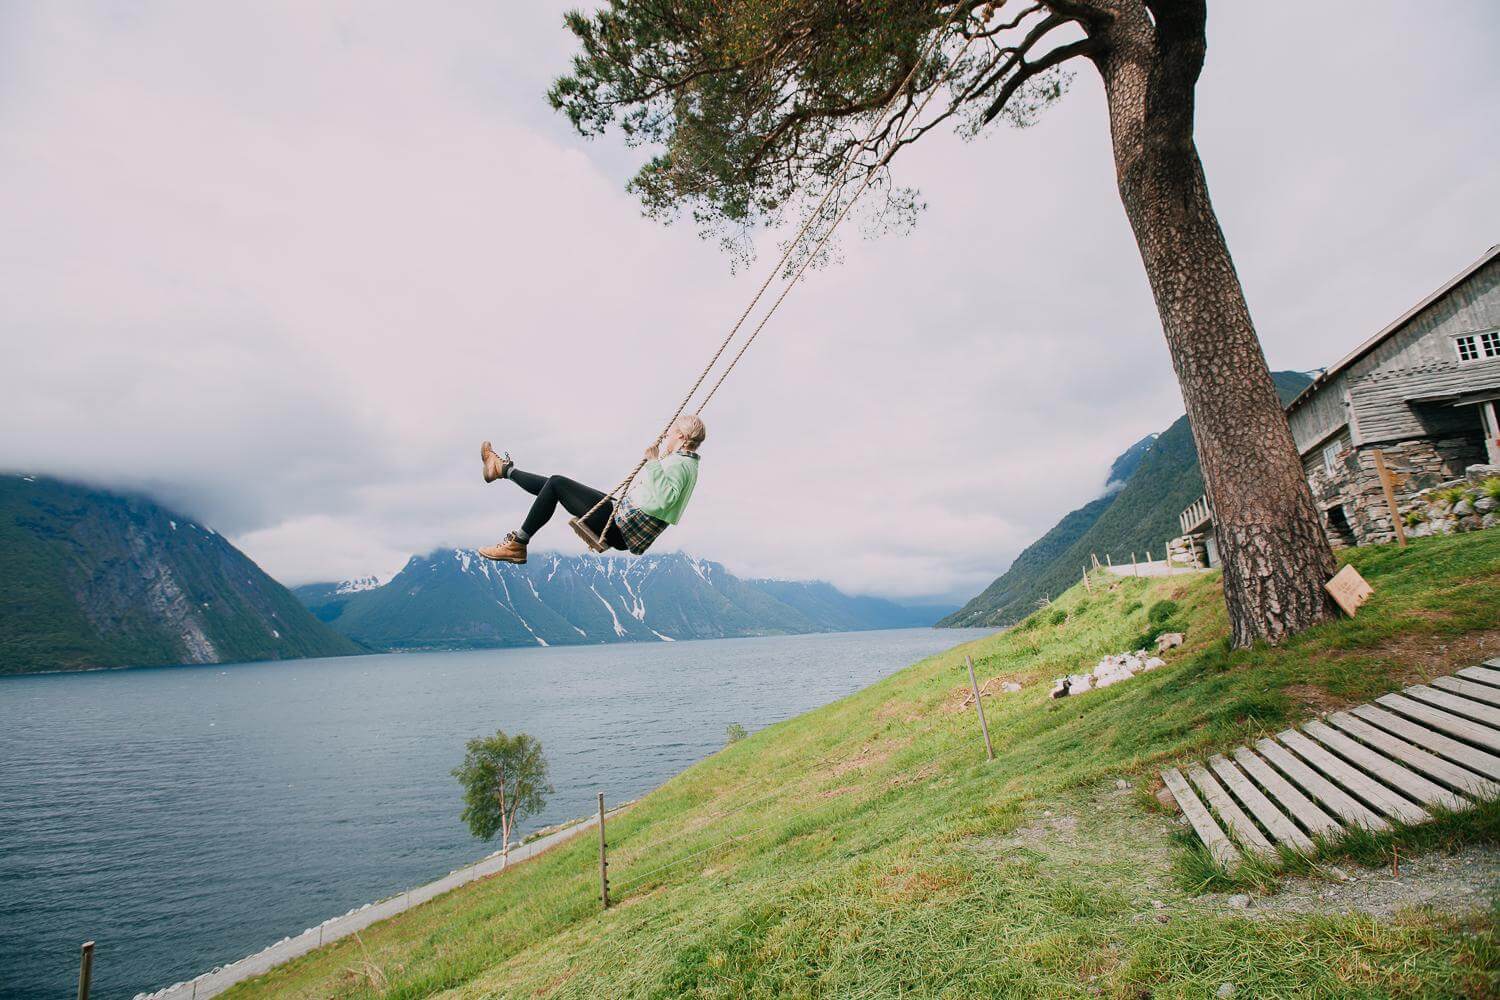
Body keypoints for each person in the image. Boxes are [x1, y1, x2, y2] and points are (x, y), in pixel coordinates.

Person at [476, 414, 705, 564]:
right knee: (554, 486)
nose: (667, 434)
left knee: (556, 483)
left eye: (672, 431)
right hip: (622, 517)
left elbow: (667, 498)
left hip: (620, 528)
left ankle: (518, 544)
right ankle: (503, 469)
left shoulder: (681, 465)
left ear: (682, 437)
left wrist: (654, 461)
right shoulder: (686, 462)